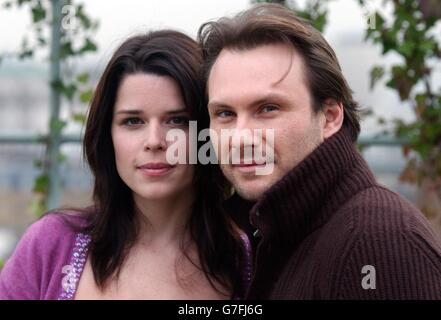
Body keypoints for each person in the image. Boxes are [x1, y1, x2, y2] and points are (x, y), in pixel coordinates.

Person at [198, 3, 441, 299]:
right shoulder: (266, 234)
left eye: (268, 108)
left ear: (330, 117)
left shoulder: (378, 241)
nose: (240, 138)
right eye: (225, 114)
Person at [0, 30, 251, 300]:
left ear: (208, 132)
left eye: (177, 120)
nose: (154, 141)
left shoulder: (247, 261)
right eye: (133, 122)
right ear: (108, 136)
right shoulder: (51, 244)